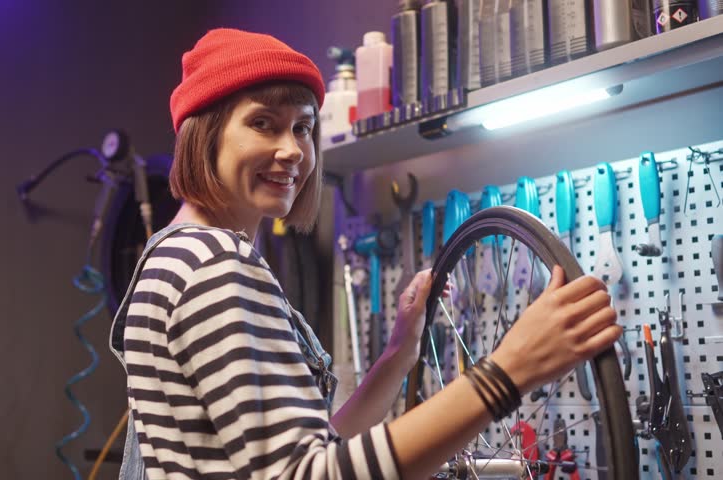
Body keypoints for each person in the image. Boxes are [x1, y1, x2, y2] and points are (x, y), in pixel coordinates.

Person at [108, 28, 622, 480]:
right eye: (264, 123)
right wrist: (510, 370)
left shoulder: (174, 256)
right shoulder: (215, 267)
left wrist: (400, 354)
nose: (292, 149)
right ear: (205, 133)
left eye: (304, 127)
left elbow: (307, 451)